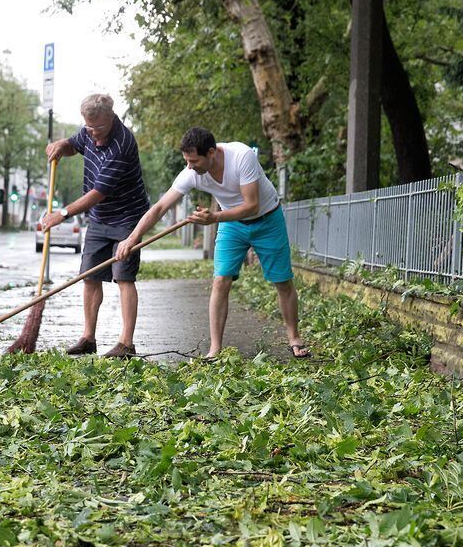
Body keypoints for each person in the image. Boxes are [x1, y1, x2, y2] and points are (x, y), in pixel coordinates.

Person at [117, 127, 310, 359]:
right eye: (186, 161)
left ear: (211, 153)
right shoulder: (192, 173)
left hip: (267, 219)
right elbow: (159, 208)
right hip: (232, 224)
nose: (189, 166)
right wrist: (132, 238)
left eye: (193, 160)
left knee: (283, 282)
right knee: (220, 280)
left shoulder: (242, 156)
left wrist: (214, 218)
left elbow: (252, 205)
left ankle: (294, 337)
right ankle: (215, 349)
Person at [42, 94, 151, 358]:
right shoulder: (89, 132)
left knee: (123, 276)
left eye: (98, 128)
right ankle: (88, 338)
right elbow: (73, 144)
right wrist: (62, 146)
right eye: (88, 127)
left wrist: (63, 213)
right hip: (100, 218)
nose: (93, 134)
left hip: (127, 218)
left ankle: (126, 343)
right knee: (89, 277)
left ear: (111, 117)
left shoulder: (122, 144)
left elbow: (98, 192)